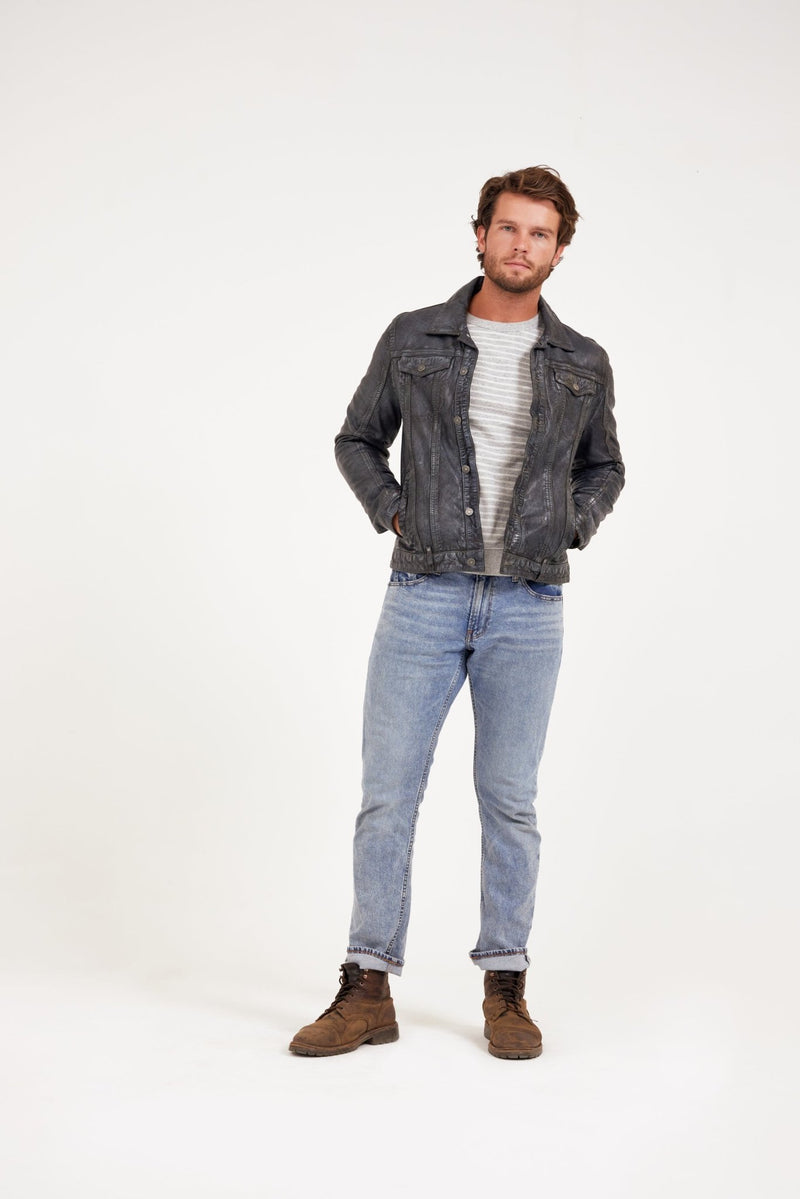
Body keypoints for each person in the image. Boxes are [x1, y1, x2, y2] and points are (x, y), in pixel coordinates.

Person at [289, 166, 624, 1059]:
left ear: (560, 249)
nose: (522, 245)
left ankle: (506, 984)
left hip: (530, 601)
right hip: (423, 595)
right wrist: (395, 511)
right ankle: (367, 987)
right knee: (388, 796)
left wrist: (574, 523)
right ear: (480, 235)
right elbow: (357, 438)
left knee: (509, 800)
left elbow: (605, 465)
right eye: (508, 227)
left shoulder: (582, 360)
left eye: (540, 233)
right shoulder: (416, 337)